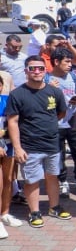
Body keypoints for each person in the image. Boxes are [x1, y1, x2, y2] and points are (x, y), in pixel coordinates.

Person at [7, 55, 71, 228]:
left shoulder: (54, 92)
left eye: (40, 68)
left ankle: (54, 207)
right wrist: (18, 148)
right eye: (32, 68)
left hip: (52, 144)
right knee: (32, 180)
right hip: (30, 146)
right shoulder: (17, 94)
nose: (37, 71)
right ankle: (34, 212)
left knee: (52, 176)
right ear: (26, 70)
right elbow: (12, 122)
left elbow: (60, 114)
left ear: (45, 70)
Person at [47, 48, 76, 200]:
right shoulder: (47, 79)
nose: (70, 64)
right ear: (56, 62)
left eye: (71, 61)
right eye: (67, 61)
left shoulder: (73, 76)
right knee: (59, 156)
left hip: (74, 123)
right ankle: (63, 181)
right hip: (56, 124)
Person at [0, 76, 21, 238]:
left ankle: (4, 213)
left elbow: (15, 122)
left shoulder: (8, 100)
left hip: (8, 145)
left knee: (8, 180)